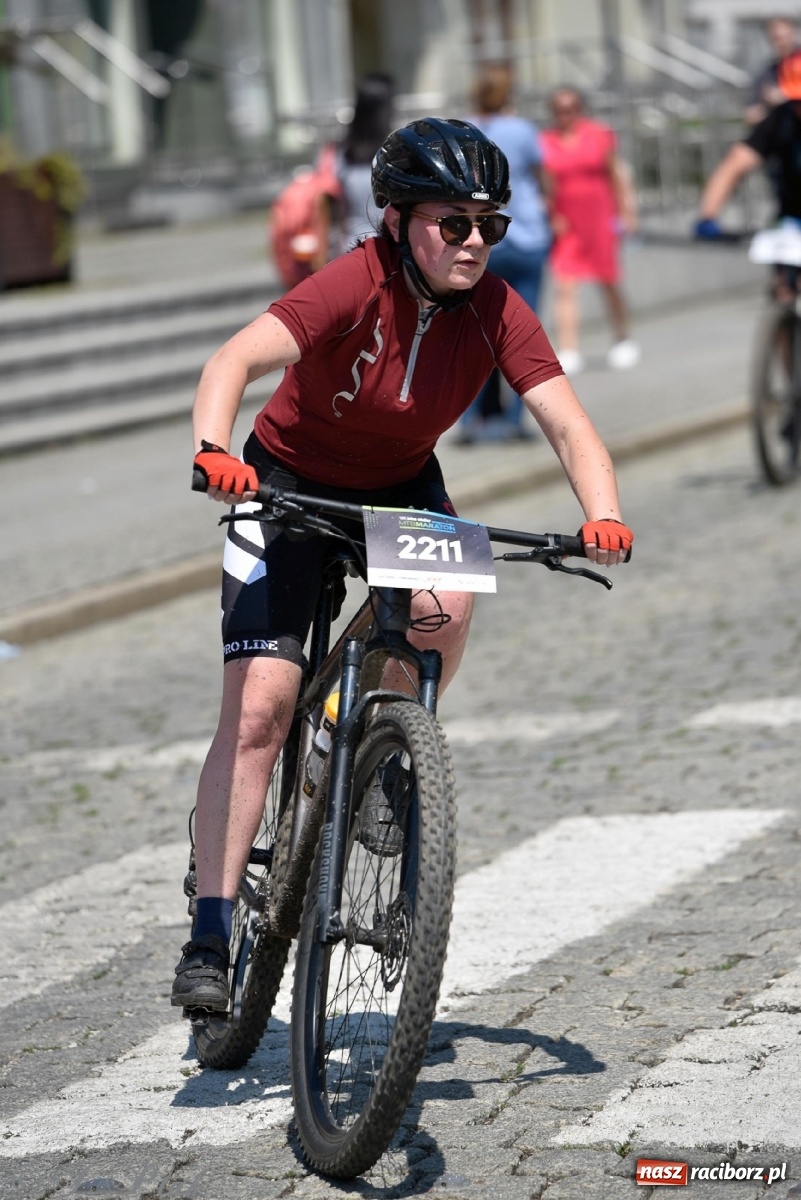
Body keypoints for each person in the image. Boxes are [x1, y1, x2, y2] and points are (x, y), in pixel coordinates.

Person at [171, 117, 634, 1012]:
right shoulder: (355, 281)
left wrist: (602, 514)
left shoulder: (498, 308)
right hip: (286, 486)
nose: (474, 242)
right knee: (262, 706)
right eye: (452, 223)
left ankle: (384, 753)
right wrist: (213, 448)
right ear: (397, 220)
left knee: (444, 605)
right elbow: (235, 359)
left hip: (398, 489)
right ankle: (211, 934)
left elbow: (567, 423)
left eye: (489, 225)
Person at [458, 63, 551, 442]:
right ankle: (515, 420)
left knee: (473, 329)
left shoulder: (466, 131)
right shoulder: (522, 129)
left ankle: (470, 420)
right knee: (522, 332)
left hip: (479, 237)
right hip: (525, 234)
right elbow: (544, 179)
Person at [540, 87, 640, 376]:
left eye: (570, 109)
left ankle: (622, 336)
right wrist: (551, 213)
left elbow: (617, 174)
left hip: (599, 218)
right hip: (567, 221)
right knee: (565, 284)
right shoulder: (546, 142)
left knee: (608, 279)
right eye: (559, 110)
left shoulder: (598, 135)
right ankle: (569, 347)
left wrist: (627, 212)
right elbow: (545, 184)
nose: (565, 115)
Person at [696, 48, 801, 300]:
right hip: (792, 214)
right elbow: (734, 165)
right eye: (796, 101)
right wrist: (708, 216)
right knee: (784, 288)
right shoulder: (780, 119)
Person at [334, 72, 395, 254]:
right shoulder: (395, 151)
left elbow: (341, 208)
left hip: (351, 245)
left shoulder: (343, 152)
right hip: (389, 248)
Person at [744, 15, 799, 127]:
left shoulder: (797, 60)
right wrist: (767, 105)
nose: (780, 43)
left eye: (782, 37)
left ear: (792, 34)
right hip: (779, 130)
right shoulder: (767, 72)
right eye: (775, 38)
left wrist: (785, 94)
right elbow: (750, 115)